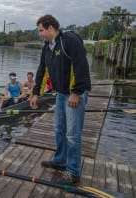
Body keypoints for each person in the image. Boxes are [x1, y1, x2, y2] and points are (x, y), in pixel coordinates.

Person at [30, 14, 91, 185]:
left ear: (50, 28)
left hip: (75, 92)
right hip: (62, 93)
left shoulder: (69, 40)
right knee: (59, 129)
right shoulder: (46, 47)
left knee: (72, 134)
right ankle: (60, 160)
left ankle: (73, 171)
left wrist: (77, 92)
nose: (40, 34)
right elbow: (41, 71)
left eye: (41, 30)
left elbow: (82, 66)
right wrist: (35, 93)